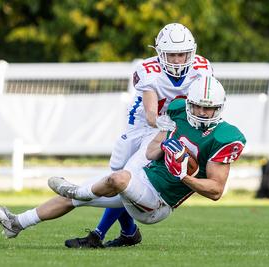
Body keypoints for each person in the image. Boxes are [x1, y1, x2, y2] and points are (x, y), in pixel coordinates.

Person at [0, 76, 246, 247]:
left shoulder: (225, 137)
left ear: (220, 108)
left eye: (209, 108)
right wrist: (165, 144)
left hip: (158, 203)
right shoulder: (178, 112)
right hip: (145, 179)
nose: (203, 112)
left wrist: (184, 176)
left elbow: (216, 191)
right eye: (199, 106)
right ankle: (15, 223)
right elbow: (154, 148)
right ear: (189, 103)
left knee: (117, 178)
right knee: (73, 199)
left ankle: (81, 192)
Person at [60, 22, 215, 248]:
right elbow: (151, 112)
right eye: (171, 55)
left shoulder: (202, 68)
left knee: (127, 181)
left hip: (169, 128)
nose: (178, 60)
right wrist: (161, 121)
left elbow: (204, 101)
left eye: (182, 54)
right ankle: (128, 232)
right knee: (118, 180)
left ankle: (98, 232)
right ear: (160, 53)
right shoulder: (148, 69)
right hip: (142, 127)